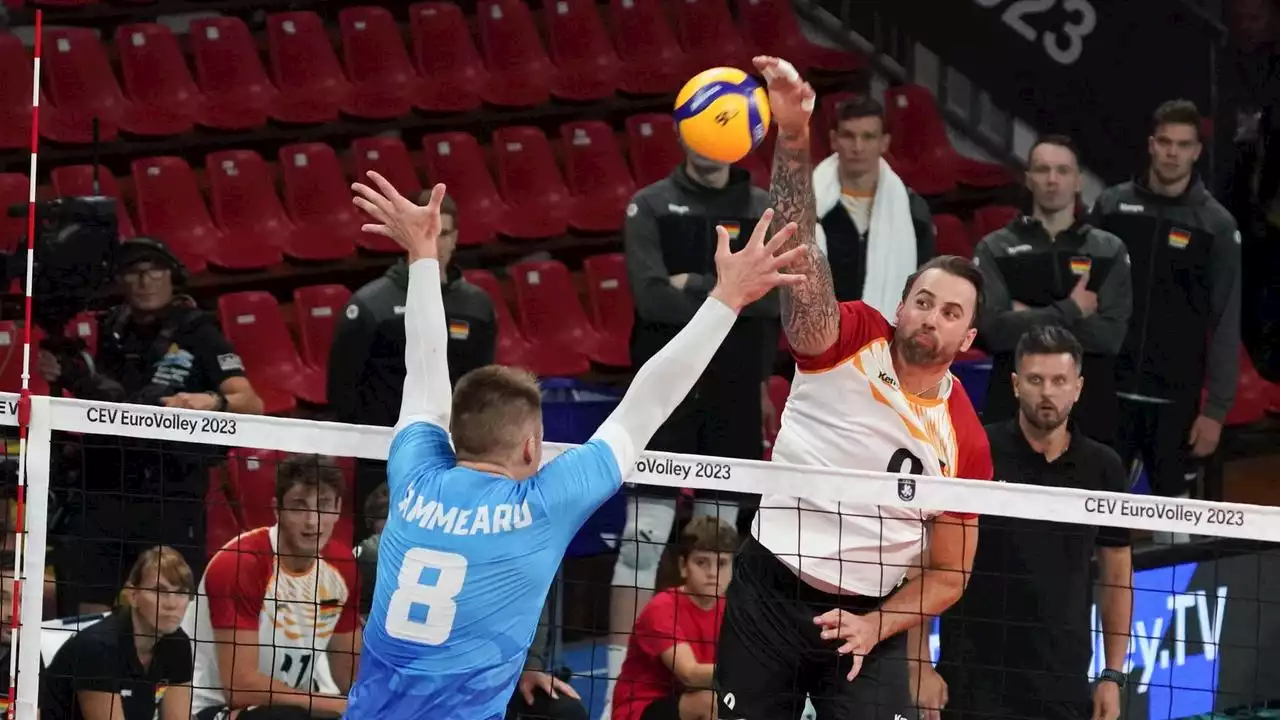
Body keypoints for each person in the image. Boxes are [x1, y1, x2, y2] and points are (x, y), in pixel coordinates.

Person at [342, 170, 803, 719]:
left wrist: (419, 255)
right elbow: (648, 402)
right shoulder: (542, 504)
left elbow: (423, 371)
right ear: (533, 449)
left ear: (453, 436)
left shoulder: (413, 475)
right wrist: (727, 298)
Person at [713, 56, 993, 720]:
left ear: (968, 341)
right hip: (768, 593)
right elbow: (800, 256)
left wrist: (880, 624)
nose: (932, 317)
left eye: (951, 313)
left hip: (865, 617)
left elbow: (951, 573)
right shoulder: (852, 337)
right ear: (901, 305)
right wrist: (790, 136)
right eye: (923, 301)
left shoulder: (964, 439)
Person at [610, 138, 781, 697]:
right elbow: (650, 300)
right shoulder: (651, 204)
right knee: (644, 535)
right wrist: (731, 292)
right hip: (666, 395)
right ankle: (615, 680)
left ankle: (719, 677)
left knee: (721, 543)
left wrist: (694, 284)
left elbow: (774, 301)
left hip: (733, 397)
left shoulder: (763, 207)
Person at [915, 326, 1134, 720]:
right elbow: (925, 557)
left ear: (1078, 387)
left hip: (1061, 680)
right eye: (1035, 380)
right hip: (972, 680)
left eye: (1059, 381)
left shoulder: (1103, 468)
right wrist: (919, 665)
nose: (1047, 392)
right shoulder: (975, 452)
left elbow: (1117, 575)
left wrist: (1113, 675)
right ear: (1015, 385)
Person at [40, 237, 263, 615]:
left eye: (154, 270)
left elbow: (252, 403)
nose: (145, 281)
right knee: (87, 606)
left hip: (170, 494)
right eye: (134, 272)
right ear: (121, 280)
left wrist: (209, 401)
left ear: (172, 275)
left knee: (169, 606)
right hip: (105, 488)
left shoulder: (199, 331)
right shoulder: (110, 331)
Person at [1091, 100, 1242, 504]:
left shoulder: (1217, 226)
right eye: (1165, 142)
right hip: (1110, 395)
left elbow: (1226, 321)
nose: (1173, 152)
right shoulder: (1111, 207)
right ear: (1151, 145)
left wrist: (1216, 411)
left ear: (1196, 151)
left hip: (1177, 406)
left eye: (1183, 144)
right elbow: (1086, 298)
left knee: (1173, 532)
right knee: (1094, 518)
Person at [328, 190, 496, 543]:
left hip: (457, 457)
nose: (436, 241)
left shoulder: (478, 306)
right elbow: (342, 391)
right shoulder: (371, 305)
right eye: (428, 230)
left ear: (457, 237)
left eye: (444, 232)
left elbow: (483, 386)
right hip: (384, 457)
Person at [353, 483, 587, 720]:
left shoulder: (476, 553)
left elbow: (532, 602)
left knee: (565, 711)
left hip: (481, 677)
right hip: (403, 682)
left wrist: (531, 667)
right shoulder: (368, 557)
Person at [974, 135, 1132, 445]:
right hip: (1011, 410)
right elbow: (991, 331)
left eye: (1062, 170)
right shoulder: (995, 247)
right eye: (1043, 170)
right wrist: (1071, 311)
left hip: (1090, 412)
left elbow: (1110, 336)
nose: (1052, 179)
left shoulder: (1109, 249)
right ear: (1028, 179)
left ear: (1078, 181)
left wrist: (1025, 316)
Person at [184, 454, 361, 720]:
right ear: (277, 509)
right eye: (299, 506)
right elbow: (240, 688)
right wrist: (328, 705)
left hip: (297, 705)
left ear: (337, 508)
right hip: (215, 708)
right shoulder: (240, 562)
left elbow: (349, 675)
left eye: (323, 505)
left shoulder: (342, 565)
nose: (312, 521)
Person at [41, 546, 196, 720]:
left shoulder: (177, 643)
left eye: (181, 593)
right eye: (160, 591)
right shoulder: (98, 648)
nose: (172, 604)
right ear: (133, 595)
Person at [814, 94, 935, 313]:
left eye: (868, 137)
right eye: (849, 136)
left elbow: (923, 285)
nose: (858, 147)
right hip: (819, 335)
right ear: (833, 140)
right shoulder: (806, 206)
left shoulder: (912, 210)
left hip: (883, 337)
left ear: (884, 143)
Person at [612, 516, 736, 720]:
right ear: (683, 566)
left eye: (722, 564)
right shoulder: (663, 607)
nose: (712, 573)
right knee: (710, 702)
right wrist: (747, 673)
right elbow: (690, 675)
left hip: (691, 698)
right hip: (640, 709)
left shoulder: (733, 610)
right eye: (701, 562)